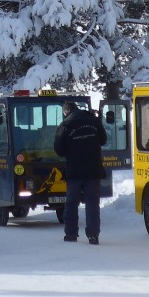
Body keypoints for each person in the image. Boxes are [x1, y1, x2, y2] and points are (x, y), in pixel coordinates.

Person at [53, 100, 106, 245]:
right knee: (92, 202)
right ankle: (93, 235)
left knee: (71, 203)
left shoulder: (65, 125)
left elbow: (58, 150)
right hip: (93, 169)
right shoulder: (93, 120)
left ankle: (71, 234)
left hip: (74, 171)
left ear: (66, 112)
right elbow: (103, 140)